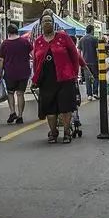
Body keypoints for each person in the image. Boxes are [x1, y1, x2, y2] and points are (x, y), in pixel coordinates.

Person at [32, 10, 87, 143]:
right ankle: (53, 132)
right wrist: (35, 78)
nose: (47, 23)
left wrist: (76, 72)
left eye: (49, 21)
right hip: (46, 80)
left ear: (53, 23)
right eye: (44, 21)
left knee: (66, 107)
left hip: (65, 78)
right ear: (41, 25)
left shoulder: (63, 37)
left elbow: (74, 55)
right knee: (50, 109)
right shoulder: (38, 41)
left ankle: (67, 132)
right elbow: (36, 61)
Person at [0, 23, 32, 124]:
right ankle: (20, 116)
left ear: (8, 33)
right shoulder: (25, 42)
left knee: (10, 93)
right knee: (20, 94)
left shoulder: (4, 44)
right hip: (24, 72)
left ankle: (12, 112)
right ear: (17, 31)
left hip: (10, 72)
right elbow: (32, 54)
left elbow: (1, 60)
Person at [79, 25, 99, 100]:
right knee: (96, 77)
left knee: (87, 78)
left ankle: (89, 95)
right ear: (92, 30)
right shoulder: (94, 39)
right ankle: (95, 93)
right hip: (94, 61)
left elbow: (79, 51)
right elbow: (98, 50)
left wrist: (80, 61)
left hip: (85, 62)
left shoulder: (81, 39)